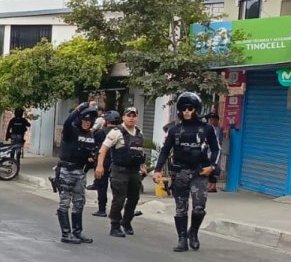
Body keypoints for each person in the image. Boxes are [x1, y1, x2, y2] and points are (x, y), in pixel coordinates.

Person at [154, 92, 219, 252]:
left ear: (196, 109)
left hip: (199, 173)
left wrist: (211, 167)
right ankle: (182, 238)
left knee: (199, 208)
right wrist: (157, 170)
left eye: (190, 108)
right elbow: (164, 151)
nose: (187, 111)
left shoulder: (207, 129)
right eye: (184, 109)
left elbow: (216, 149)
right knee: (181, 208)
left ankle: (193, 233)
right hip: (180, 173)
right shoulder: (175, 130)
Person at [54, 101, 100, 244]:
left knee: (79, 202)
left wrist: (92, 159)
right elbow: (67, 122)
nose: (87, 123)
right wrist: (80, 107)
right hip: (67, 171)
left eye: (90, 121)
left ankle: (77, 232)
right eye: (85, 120)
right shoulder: (71, 130)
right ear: (80, 119)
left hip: (80, 171)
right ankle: (66, 234)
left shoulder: (90, 134)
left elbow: (92, 151)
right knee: (65, 203)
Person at [95, 109, 146, 237]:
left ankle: (126, 221)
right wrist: (100, 166)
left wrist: (143, 166)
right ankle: (115, 225)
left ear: (137, 118)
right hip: (119, 171)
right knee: (119, 199)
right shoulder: (116, 132)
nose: (131, 118)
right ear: (124, 117)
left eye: (134, 116)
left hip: (134, 171)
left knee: (134, 198)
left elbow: (139, 152)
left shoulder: (139, 133)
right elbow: (103, 149)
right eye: (129, 116)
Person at [89, 113, 112, 217]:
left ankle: (102, 209)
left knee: (102, 187)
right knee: (118, 189)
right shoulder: (121, 132)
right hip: (116, 164)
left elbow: (93, 144)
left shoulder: (101, 132)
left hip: (102, 162)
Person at [205, 112, 225, 192]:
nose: (211, 121)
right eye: (210, 119)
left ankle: (213, 186)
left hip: (216, 151)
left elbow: (220, 141)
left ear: (217, 120)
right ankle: (210, 185)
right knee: (209, 167)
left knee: (215, 168)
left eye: (213, 119)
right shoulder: (209, 128)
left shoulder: (220, 130)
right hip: (208, 151)